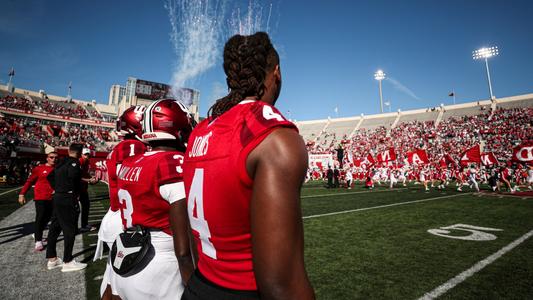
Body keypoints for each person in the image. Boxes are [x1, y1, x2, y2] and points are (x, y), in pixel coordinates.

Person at [182, 32, 314, 300]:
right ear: (276, 72)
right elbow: (281, 283)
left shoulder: (201, 130)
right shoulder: (273, 136)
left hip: (199, 284)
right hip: (243, 292)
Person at [110, 99, 195, 300]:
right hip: (161, 263)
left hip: (127, 253)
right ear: (178, 129)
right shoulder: (172, 163)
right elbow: (183, 251)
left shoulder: (131, 161)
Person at [95, 105, 147, 299]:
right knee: (125, 284)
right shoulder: (134, 147)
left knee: (112, 276)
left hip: (116, 215)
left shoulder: (120, 147)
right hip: (126, 221)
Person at [45, 143, 88, 272]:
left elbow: (50, 176)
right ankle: (68, 261)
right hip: (67, 198)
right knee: (69, 229)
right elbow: (74, 177)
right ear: (80, 153)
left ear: (69, 150)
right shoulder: (75, 163)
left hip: (57, 197)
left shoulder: (61, 161)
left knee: (55, 227)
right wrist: (74, 190)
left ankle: (52, 259)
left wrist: (57, 188)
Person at [18, 152, 58, 252]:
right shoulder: (39, 169)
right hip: (41, 197)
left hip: (53, 198)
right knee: (40, 217)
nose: (54, 159)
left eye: (55, 158)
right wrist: (22, 194)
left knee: (50, 218)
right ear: (47, 158)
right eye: (51, 157)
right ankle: (38, 240)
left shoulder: (58, 169)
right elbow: (30, 181)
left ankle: (37, 232)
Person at [79, 148, 97, 232]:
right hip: (76, 188)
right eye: (85, 154)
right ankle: (80, 226)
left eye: (88, 155)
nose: (87, 156)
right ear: (81, 154)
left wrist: (91, 177)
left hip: (83, 188)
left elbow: (85, 174)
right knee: (75, 210)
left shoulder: (86, 162)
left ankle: (84, 224)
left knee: (86, 206)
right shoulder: (80, 161)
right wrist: (89, 180)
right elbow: (76, 177)